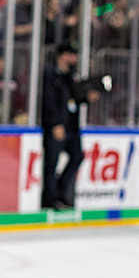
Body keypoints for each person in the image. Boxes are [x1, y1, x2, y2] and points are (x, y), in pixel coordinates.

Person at [41, 42, 98, 209]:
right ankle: (50, 200)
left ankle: (60, 192)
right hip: (57, 125)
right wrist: (55, 123)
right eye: (71, 54)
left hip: (71, 126)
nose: (74, 58)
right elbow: (48, 100)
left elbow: (74, 97)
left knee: (77, 156)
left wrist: (87, 97)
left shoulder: (71, 75)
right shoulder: (51, 74)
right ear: (63, 55)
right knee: (51, 162)